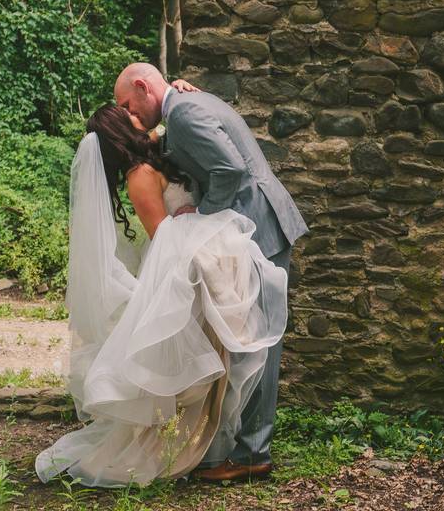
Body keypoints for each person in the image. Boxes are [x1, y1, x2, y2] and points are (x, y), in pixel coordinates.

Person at [34, 104, 287, 487]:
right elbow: (164, 238)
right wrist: (195, 223)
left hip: (207, 267)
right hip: (186, 274)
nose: (135, 114)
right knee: (201, 371)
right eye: (127, 113)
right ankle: (184, 449)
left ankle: (222, 447)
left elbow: (175, 118)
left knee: (223, 363)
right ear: (121, 129)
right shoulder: (139, 177)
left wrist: (182, 89)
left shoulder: (157, 154)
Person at [113, 63, 308, 480]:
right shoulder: (186, 105)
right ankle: (243, 444)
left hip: (260, 225)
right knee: (248, 340)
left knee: (258, 342)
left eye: (129, 105)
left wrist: (201, 216)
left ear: (145, 87)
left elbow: (229, 170)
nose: (130, 114)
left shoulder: (183, 112)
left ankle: (254, 452)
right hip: (258, 223)